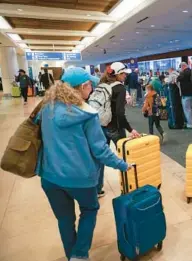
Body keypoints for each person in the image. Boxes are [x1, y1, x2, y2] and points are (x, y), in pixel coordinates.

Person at [36, 67, 133, 261]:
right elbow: (100, 150)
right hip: (80, 178)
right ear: (82, 87)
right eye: (90, 85)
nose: (92, 88)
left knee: (65, 220)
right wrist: (123, 165)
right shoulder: (86, 114)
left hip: (50, 177)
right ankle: (80, 254)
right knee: (89, 210)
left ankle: (73, 255)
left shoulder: (47, 108)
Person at [96, 62, 140, 197]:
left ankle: (97, 188)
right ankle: (128, 185)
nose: (125, 76)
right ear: (117, 74)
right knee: (124, 156)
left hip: (101, 126)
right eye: (123, 74)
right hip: (115, 128)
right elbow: (120, 113)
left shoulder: (102, 85)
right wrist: (130, 129)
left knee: (101, 157)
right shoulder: (120, 88)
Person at [177, 62, 192, 129]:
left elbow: (178, 79)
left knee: (187, 109)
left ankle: (190, 124)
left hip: (186, 94)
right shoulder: (191, 71)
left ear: (183, 66)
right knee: (189, 109)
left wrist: (180, 73)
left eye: (180, 67)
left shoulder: (184, 73)